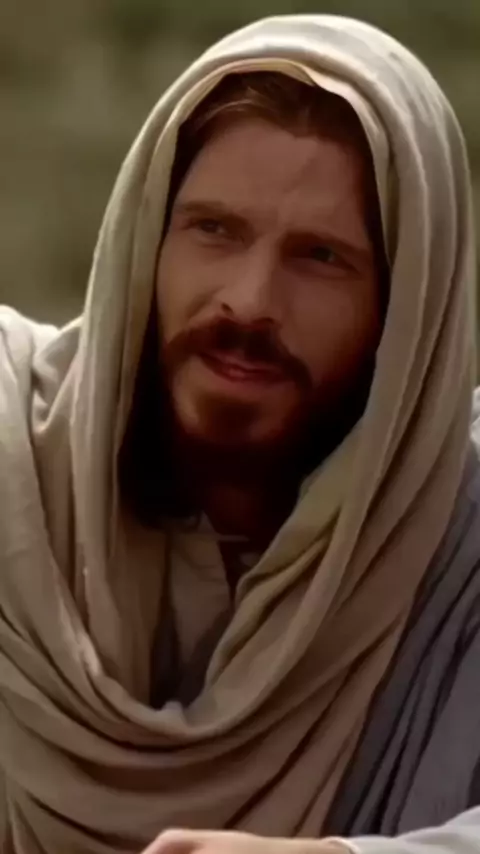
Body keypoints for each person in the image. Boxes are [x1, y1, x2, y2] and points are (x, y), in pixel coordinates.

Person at [0, 12, 479, 854]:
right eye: (213, 229)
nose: (250, 302)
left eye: (320, 257)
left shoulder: (461, 536)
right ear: (148, 238)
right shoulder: (15, 452)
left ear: (405, 312)